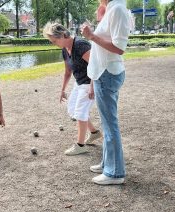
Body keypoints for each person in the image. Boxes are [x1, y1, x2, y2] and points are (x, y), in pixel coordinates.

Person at [81, 0, 130, 185]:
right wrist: (100, 19)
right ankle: (107, 163)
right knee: (108, 122)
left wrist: (92, 36)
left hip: (107, 73)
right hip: (105, 72)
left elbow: (119, 47)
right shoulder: (112, 9)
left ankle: (115, 173)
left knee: (110, 124)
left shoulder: (117, 9)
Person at [43, 22, 102, 156]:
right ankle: (94, 132)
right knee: (72, 109)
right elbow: (68, 72)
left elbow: (96, 65)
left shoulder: (81, 45)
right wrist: (62, 90)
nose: (54, 43)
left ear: (63, 35)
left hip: (90, 81)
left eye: (54, 40)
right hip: (80, 82)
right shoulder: (65, 50)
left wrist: (93, 86)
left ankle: (80, 145)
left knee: (81, 112)